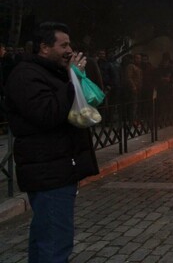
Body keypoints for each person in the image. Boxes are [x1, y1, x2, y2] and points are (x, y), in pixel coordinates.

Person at [4, 22, 99, 262]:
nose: (70, 49)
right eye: (63, 44)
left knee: (44, 239)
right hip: (49, 172)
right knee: (55, 245)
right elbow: (46, 114)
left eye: (70, 44)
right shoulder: (26, 75)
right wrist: (70, 83)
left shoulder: (52, 72)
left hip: (57, 168)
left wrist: (77, 78)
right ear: (44, 48)